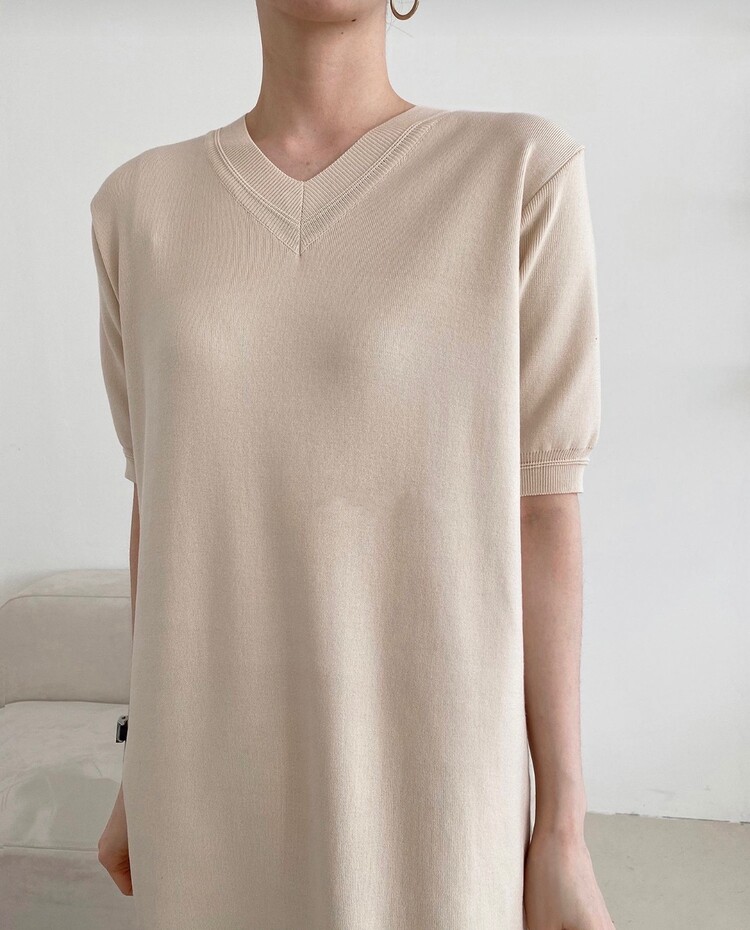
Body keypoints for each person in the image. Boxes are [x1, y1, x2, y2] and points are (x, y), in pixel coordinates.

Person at [92, 1, 614, 928]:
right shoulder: (137, 207)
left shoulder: (518, 174)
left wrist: (563, 831)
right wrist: (139, 771)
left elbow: (543, 507)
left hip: (436, 788)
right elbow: (160, 506)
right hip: (204, 788)